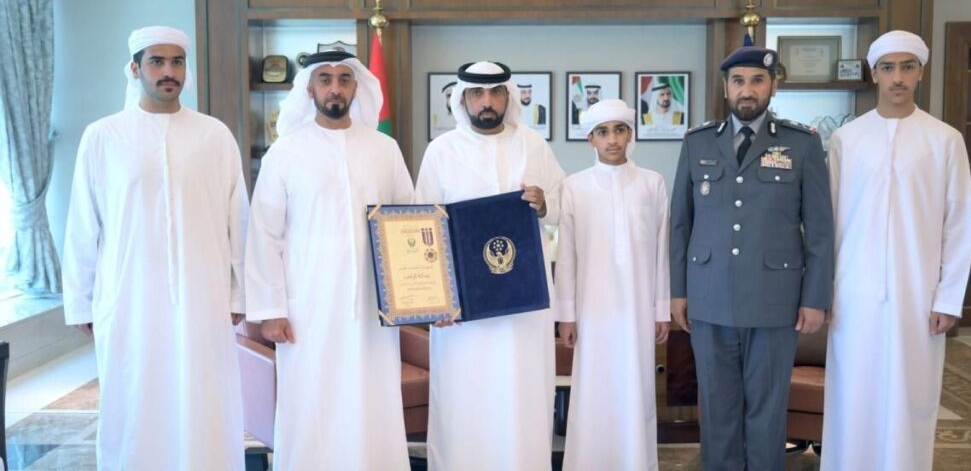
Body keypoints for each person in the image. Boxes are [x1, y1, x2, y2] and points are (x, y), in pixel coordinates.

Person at [62, 26, 247, 470]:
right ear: (134, 69)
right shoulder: (103, 136)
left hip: (202, 298)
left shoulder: (214, 135)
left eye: (177, 62)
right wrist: (81, 301)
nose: (169, 72)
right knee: (133, 400)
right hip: (128, 299)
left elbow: (238, 220)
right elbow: (83, 225)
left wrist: (239, 293)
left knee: (204, 397)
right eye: (157, 62)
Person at [245, 51, 414, 471]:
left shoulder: (385, 149)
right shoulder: (285, 152)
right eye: (325, 79)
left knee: (372, 401)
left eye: (344, 79)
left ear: (357, 88)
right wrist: (270, 311)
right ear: (310, 89)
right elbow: (264, 235)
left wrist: (418, 298)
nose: (335, 88)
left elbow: (409, 223)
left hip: (373, 310)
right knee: (312, 404)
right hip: (308, 310)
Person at [669, 45, 834, 471]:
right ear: (725, 87)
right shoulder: (697, 142)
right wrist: (678, 292)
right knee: (717, 410)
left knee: (767, 410)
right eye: (738, 81)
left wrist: (815, 298)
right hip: (710, 298)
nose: (748, 90)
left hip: (774, 301)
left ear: (772, 86)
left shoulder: (801, 144)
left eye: (758, 80)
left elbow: (820, 229)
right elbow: (681, 224)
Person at [821, 31, 971, 471]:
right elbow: (828, 223)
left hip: (917, 294)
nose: (898, 78)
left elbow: (958, 223)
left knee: (911, 395)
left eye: (907, 67)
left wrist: (948, 298)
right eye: (888, 68)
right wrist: (824, 292)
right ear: (874, 75)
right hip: (852, 292)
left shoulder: (945, 140)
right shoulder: (847, 139)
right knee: (853, 393)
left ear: (921, 72)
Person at [416, 61, 565, 471]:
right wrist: (434, 299)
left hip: (523, 306)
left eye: (496, 92)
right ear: (462, 99)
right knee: (465, 398)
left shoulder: (533, 145)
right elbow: (423, 227)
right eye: (477, 93)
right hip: (463, 310)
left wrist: (544, 203)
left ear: (508, 97)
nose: (487, 101)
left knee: (522, 394)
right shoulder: (441, 151)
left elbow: (564, 206)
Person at [555, 99, 670, 471]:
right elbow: (567, 256)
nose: (612, 140)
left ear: (630, 134)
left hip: (638, 309)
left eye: (620, 130)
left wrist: (662, 309)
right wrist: (566, 315)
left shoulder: (652, 183)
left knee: (636, 389)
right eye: (603, 132)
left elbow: (662, 251)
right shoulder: (574, 187)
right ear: (591, 138)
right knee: (593, 390)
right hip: (592, 311)